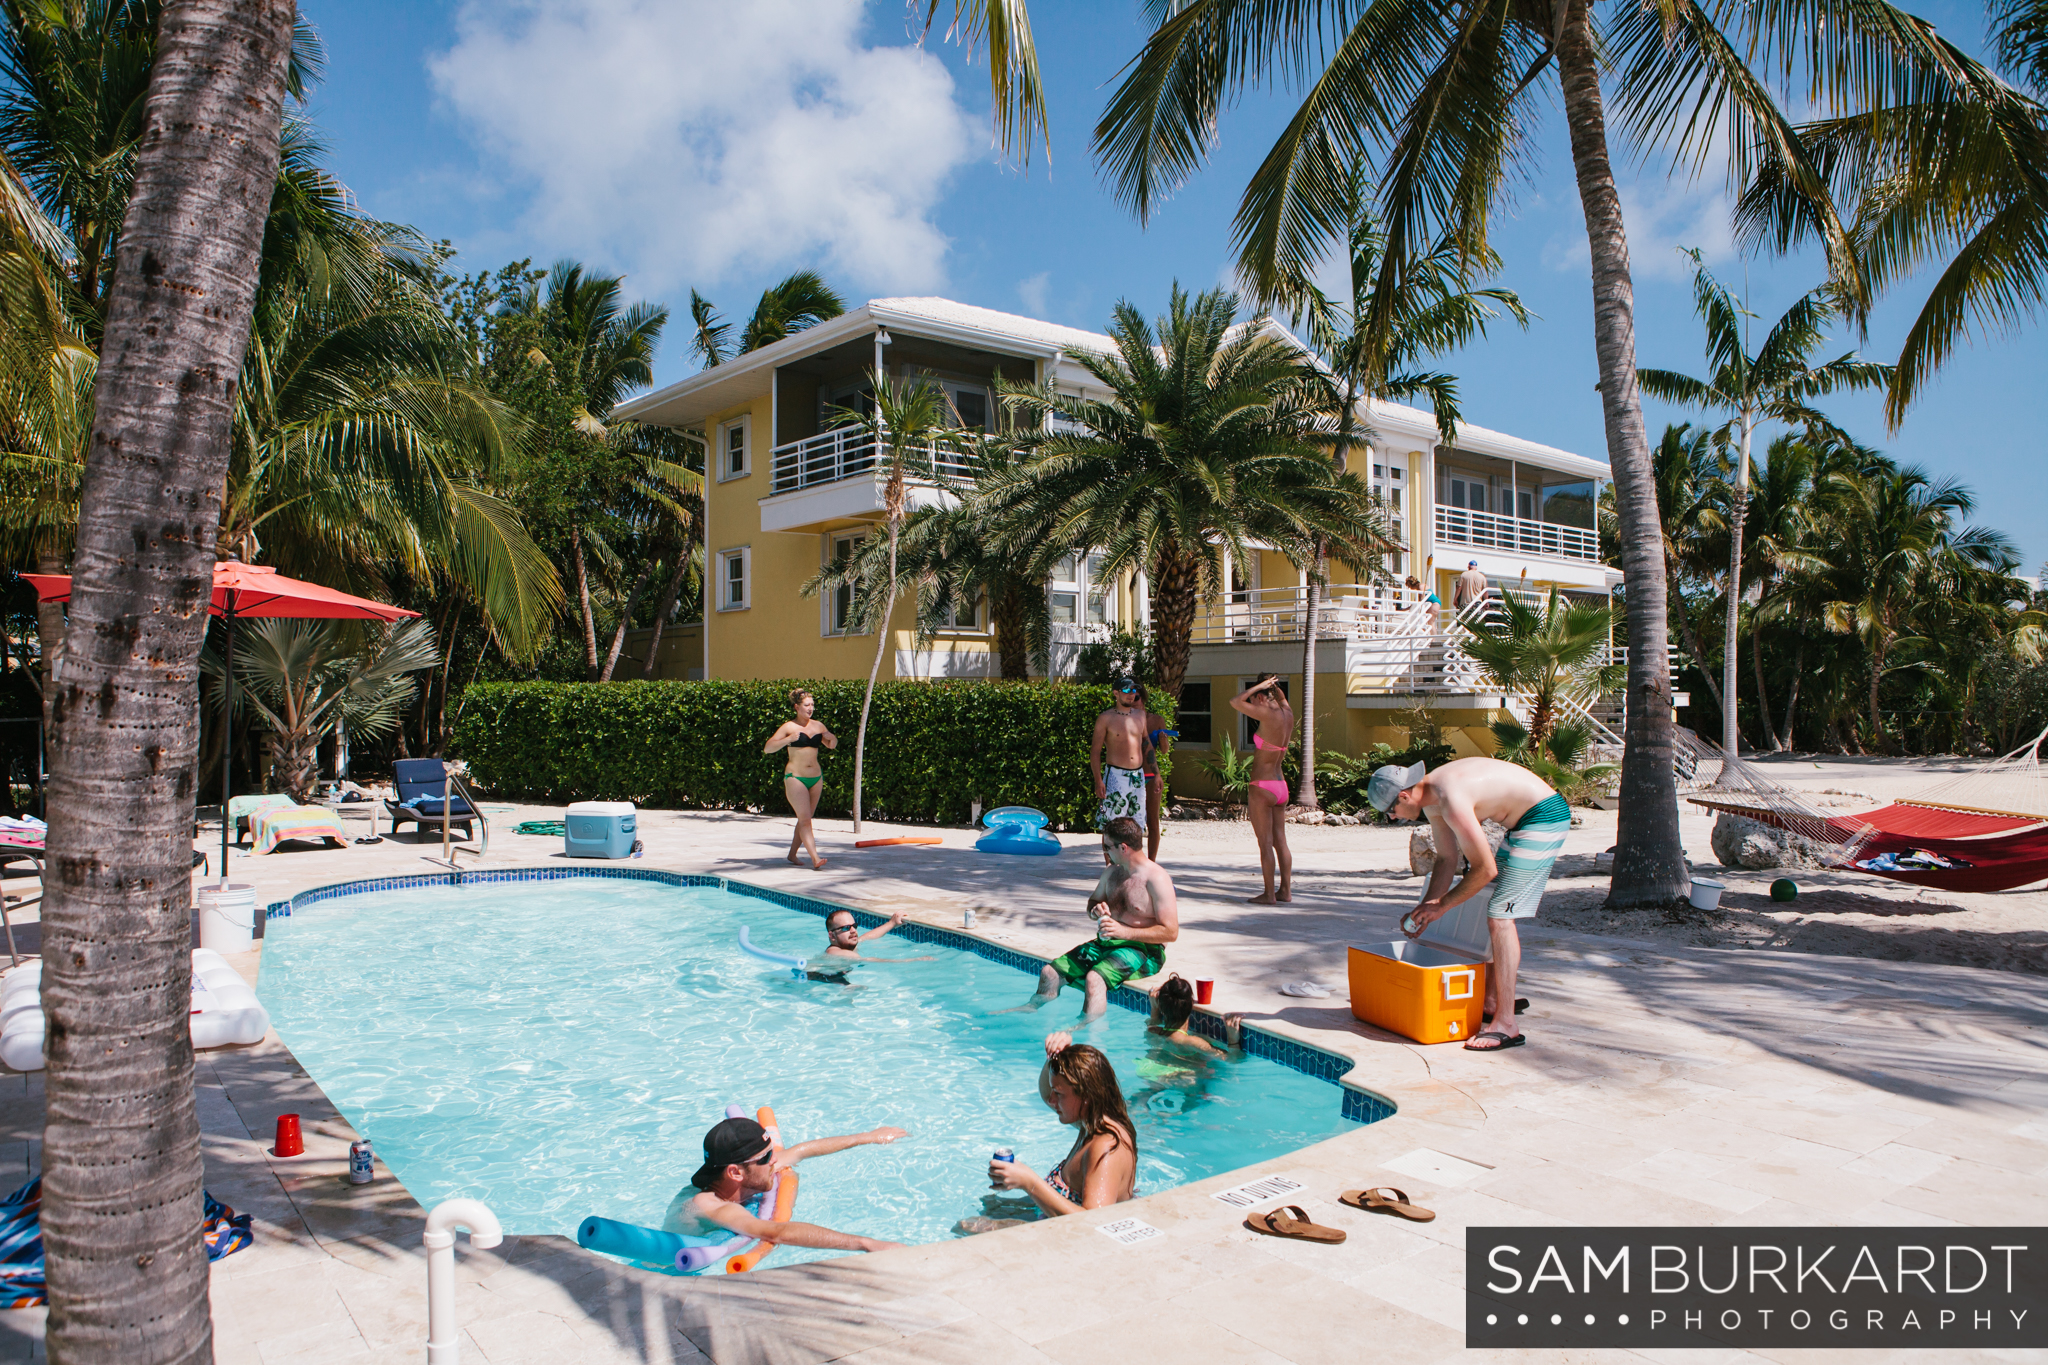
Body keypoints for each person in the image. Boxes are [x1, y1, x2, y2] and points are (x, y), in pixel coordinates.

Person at [1367, 755, 1570, 1052]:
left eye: (1391, 811)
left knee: (1500, 916)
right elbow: (1447, 859)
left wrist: (1442, 906)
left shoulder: (1451, 799)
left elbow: (1485, 868)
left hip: (1544, 817)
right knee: (1488, 897)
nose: (1393, 818)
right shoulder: (1433, 797)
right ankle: (1490, 1001)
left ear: (1404, 795)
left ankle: (1506, 1024)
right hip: (1523, 821)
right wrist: (1425, 907)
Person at [663, 1113, 907, 1255]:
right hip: (674, 1270)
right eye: (767, 1157)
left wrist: (869, 1137)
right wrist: (866, 1243)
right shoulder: (712, 1205)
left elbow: (801, 1151)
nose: (776, 1160)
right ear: (735, 1172)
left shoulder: (740, 1175)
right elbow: (775, 1232)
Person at [1022, 817, 1178, 1018]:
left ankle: (1087, 1031)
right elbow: (1092, 902)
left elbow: (1171, 932)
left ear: (1123, 848)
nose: (1105, 851)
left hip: (1144, 950)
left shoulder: (1156, 879)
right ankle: (1031, 1010)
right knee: (1049, 974)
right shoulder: (1112, 872)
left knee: (1094, 979)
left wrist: (1124, 931)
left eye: (1107, 846)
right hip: (1107, 943)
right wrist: (1095, 909)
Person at [984, 1036, 1137, 1218]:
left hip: (1079, 1231)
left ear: (1086, 1095)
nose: (1051, 1100)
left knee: (969, 1227)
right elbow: (1045, 1092)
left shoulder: (1107, 1148)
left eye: (1058, 1093)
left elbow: (1094, 1221)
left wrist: (1029, 1182)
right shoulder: (1091, 1122)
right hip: (1051, 1216)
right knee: (989, 1206)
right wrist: (1053, 1056)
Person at [1229, 674, 1294, 904]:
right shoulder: (1287, 713)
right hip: (1280, 785)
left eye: (1255, 698)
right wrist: (1273, 687)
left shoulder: (1268, 713)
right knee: (1281, 841)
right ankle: (1285, 891)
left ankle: (1269, 894)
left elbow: (1235, 702)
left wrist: (1259, 686)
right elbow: (1282, 698)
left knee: (1265, 842)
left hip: (1262, 786)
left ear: (1260, 697)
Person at [763, 690, 835, 870]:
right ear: (797, 707)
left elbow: (831, 745)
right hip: (795, 778)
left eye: (812, 705)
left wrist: (832, 739)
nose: (810, 708)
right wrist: (787, 740)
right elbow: (768, 748)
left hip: (816, 778)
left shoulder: (818, 726)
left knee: (805, 818)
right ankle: (815, 858)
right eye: (806, 705)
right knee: (805, 820)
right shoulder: (789, 727)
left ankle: (792, 854)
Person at [1090, 676, 1150, 856]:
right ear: (1116, 693)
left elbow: (1146, 743)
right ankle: (1110, 866)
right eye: (1126, 691)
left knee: (1137, 822)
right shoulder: (1106, 718)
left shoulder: (1140, 715)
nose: (1131, 695)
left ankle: (1135, 863)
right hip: (1116, 775)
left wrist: (1156, 773)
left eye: (1133, 691)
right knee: (1111, 823)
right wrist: (1098, 780)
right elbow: (1095, 751)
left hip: (1137, 776)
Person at [1136, 682, 1175, 862]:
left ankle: (1151, 862)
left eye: (1136, 697)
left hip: (1150, 774)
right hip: (1130, 774)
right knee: (1131, 822)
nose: (1132, 701)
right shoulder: (1125, 719)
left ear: (1143, 699)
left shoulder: (1156, 720)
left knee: (1153, 821)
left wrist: (1162, 739)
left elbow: (1165, 750)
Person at [820, 908, 934, 964]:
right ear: (832, 936)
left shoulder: (846, 944)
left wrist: (891, 923)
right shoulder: (834, 952)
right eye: (846, 928)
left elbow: (867, 937)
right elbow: (866, 959)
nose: (853, 930)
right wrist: (911, 960)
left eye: (854, 925)